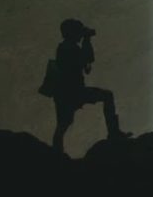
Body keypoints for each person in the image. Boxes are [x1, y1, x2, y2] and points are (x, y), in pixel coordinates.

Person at [50, 19, 130, 153]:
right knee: (106, 96)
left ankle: (57, 152)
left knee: (63, 125)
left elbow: (86, 65)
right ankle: (113, 132)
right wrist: (87, 41)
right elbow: (86, 61)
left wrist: (86, 41)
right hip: (73, 92)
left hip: (67, 93)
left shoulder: (65, 47)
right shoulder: (70, 48)